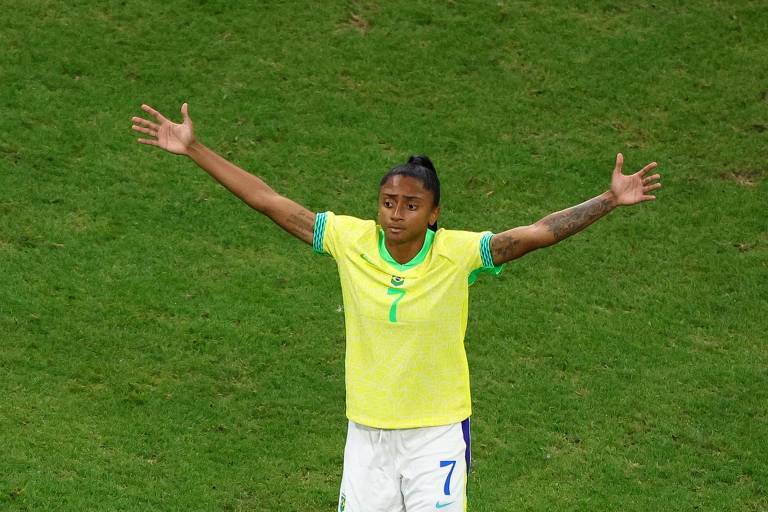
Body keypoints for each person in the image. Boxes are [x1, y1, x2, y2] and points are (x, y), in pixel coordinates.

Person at [131, 103, 661, 511]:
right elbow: (267, 200)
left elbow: (538, 234)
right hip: (367, 433)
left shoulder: (458, 253)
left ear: (433, 214)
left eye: (410, 205)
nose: (396, 214)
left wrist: (609, 200)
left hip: (436, 434)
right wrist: (196, 149)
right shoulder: (347, 238)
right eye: (388, 202)